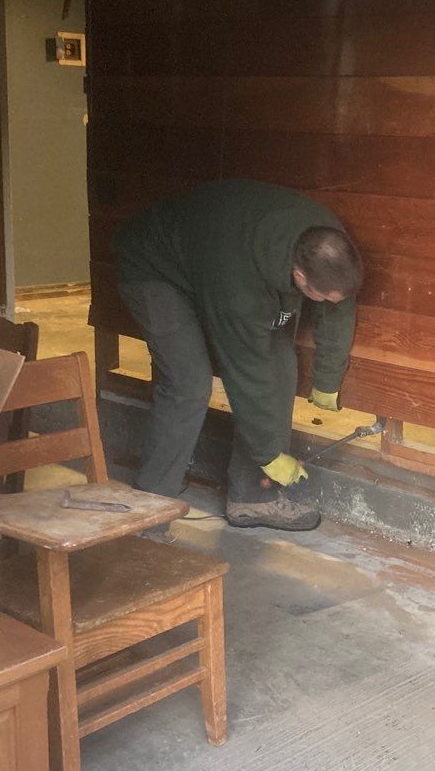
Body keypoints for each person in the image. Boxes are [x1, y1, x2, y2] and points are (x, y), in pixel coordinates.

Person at [112, 179, 361, 531]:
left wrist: (328, 381)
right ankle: (151, 505)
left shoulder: (329, 245)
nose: (327, 302)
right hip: (155, 269)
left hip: (215, 259)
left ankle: (252, 499)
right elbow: (244, 368)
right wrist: (269, 455)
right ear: (299, 275)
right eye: (318, 295)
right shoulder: (239, 287)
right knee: (189, 382)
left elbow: (338, 307)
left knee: (281, 362)